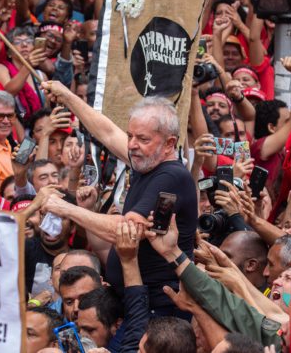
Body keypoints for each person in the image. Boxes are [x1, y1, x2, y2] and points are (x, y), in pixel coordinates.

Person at [40, 81, 198, 317]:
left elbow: (125, 231)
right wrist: (68, 97)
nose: (132, 145)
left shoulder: (171, 176)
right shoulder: (147, 159)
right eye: (130, 136)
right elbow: (107, 132)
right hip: (135, 302)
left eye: (142, 139)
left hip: (158, 310)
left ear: (169, 144)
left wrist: (64, 207)